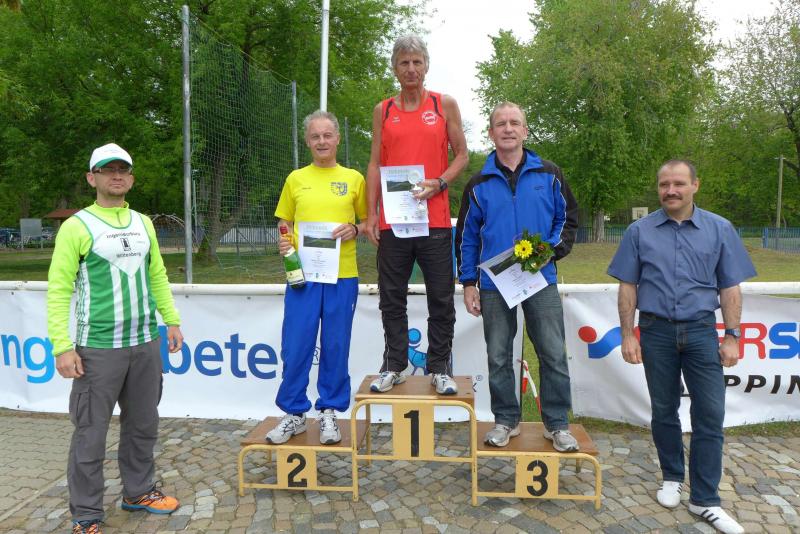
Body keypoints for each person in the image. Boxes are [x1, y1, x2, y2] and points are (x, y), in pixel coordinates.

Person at [607, 160, 753, 534]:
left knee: (710, 413)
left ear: (694, 186)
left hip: (702, 332)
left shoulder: (720, 229)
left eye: (678, 184)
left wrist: (732, 335)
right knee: (664, 409)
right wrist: (627, 334)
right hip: (655, 331)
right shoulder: (638, 231)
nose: (670, 190)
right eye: (664, 184)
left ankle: (705, 499)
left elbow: (730, 286)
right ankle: (672, 476)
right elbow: (628, 285)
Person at [47, 143, 184, 534]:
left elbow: (157, 275)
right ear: (92, 178)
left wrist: (171, 321)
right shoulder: (77, 226)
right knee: (90, 434)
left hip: (144, 343)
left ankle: (138, 492)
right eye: (108, 170)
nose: (117, 176)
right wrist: (62, 346)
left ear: (132, 178)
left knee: (143, 425)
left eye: (123, 169)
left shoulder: (143, 223)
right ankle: (86, 514)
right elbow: (59, 288)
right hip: (97, 349)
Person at [455, 102, 580, 450]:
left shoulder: (550, 174)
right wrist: (468, 283)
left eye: (514, 123)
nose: (508, 129)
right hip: (494, 284)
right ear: (491, 133)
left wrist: (550, 251)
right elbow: (466, 237)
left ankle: (557, 424)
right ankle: (505, 420)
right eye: (501, 124)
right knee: (498, 356)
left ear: (525, 131)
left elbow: (568, 218)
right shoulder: (478, 184)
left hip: (540, 278)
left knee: (552, 353)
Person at [364, 34, 468, 395]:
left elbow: (462, 155)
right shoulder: (383, 110)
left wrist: (440, 182)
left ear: (426, 66)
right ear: (395, 68)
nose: (411, 69)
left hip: (434, 220)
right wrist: (371, 214)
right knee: (391, 296)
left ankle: (439, 368)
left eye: (417, 62)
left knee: (441, 296)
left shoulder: (444, 104)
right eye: (404, 62)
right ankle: (394, 365)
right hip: (394, 222)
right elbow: (375, 163)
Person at [266, 110, 367, 446]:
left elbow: (368, 223)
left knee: (336, 345)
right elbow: (284, 221)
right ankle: (294, 413)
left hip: (342, 276)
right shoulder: (296, 179)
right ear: (307, 141)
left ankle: (329, 411)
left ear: (337, 138)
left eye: (327, 135)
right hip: (302, 276)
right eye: (315, 136)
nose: (321, 141)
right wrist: (284, 241)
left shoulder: (354, 179)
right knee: (296, 345)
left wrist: (355, 229)